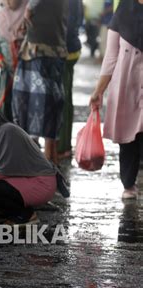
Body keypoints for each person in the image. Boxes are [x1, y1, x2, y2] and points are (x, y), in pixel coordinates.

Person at [89, 0, 143, 200]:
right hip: (126, 85)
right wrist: (98, 90)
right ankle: (128, 184)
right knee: (127, 138)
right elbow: (111, 55)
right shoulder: (123, 10)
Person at [12, 0, 68, 165]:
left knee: (43, 101)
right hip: (48, 42)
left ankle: (46, 157)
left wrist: (28, 9)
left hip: (42, 46)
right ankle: (46, 156)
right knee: (46, 100)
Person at [0, 0, 27, 121]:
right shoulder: (0, 17)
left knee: (23, 103)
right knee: (5, 102)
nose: (8, 2)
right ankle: (6, 132)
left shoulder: (28, 15)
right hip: (6, 69)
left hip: (25, 70)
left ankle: (22, 135)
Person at [57, 0, 84, 159]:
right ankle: (61, 144)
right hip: (68, 48)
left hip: (65, 50)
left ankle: (63, 146)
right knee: (64, 98)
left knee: (63, 99)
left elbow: (69, 24)